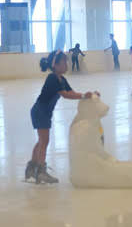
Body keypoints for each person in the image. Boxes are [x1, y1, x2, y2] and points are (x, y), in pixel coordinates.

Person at [26, 50, 96, 184]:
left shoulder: (61, 79)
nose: (67, 63)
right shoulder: (52, 78)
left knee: (41, 140)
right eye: (64, 61)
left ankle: (31, 168)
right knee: (44, 141)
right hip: (40, 111)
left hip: (43, 112)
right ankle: (40, 171)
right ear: (56, 65)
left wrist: (88, 95)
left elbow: (71, 92)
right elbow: (65, 94)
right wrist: (82, 96)